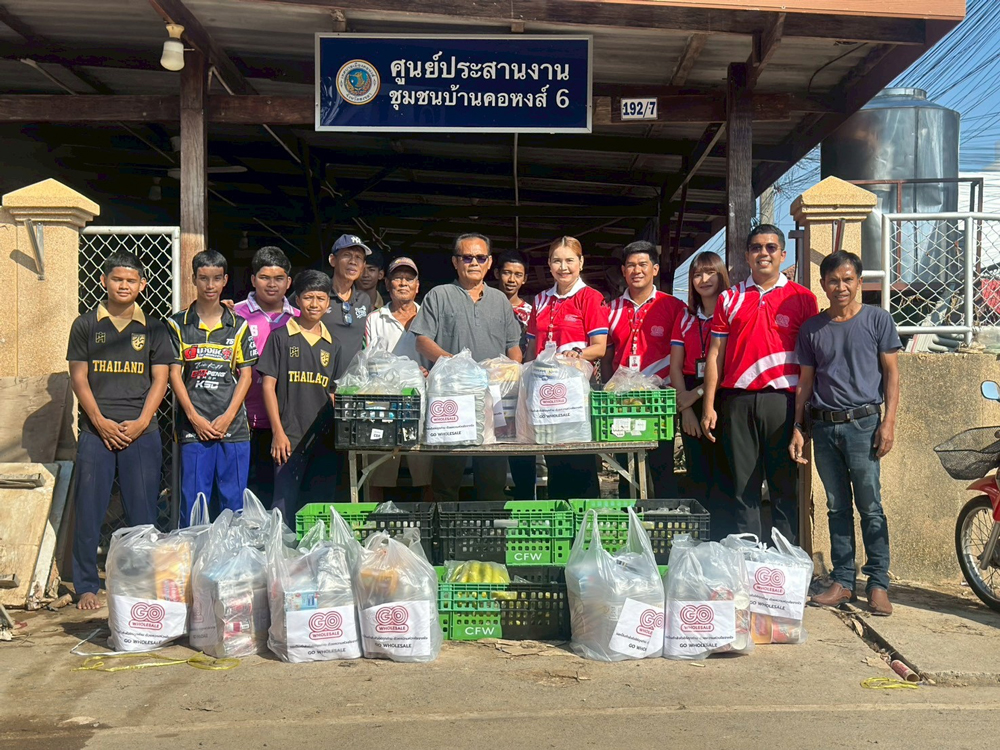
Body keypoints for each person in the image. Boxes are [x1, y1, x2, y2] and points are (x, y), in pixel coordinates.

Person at [790, 251, 901, 616]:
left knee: (870, 507)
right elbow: (805, 383)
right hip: (824, 427)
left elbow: (892, 376)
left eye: (848, 279)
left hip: (864, 425)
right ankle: (842, 581)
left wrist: (889, 422)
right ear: (823, 284)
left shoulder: (877, 319)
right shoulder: (811, 329)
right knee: (836, 506)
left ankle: (878, 582)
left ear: (858, 281)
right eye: (834, 280)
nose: (841, 286)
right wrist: (798, 428)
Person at [67, 251, 172, 609]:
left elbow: (161, 380)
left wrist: (143, 421)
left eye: (131, 280)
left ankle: (139, 581)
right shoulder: (85, 324)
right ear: (104, 282)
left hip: (141, 433)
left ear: (142, 285)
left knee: (142, 514)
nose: (124, 285)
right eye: (117, 279)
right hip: (97, 432)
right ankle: (85, 586)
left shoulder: (155, 328)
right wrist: (98, 420)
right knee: (90, 510)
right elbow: (78, 378)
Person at [701, 225, 818, 543]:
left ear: (782, 254)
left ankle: (785, 566)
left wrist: (803, 415)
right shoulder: (730, 298)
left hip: (783, 402)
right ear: (746, 255)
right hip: (736, 402)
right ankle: (749, 565)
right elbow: (715, 355)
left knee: (784, 486)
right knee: (743, 489)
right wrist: (709, 404)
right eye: (756, 247)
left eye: (770, 247)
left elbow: (811, 361)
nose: (763, 253)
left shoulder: (803, 299)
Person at [412, 233, 522, 503]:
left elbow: (514, 345)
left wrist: (513, 369)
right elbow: (422, 340)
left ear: (489, 262)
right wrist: (454, 364)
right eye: (467, 257)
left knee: (493, 475)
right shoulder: (439, 295)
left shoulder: (500, 301)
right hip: (453, 398)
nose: (474, 262)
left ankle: (491, 537)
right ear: (455, 261)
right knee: (447, 475)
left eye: (480, 257)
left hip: (494, 398)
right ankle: (444, 537)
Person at [168, 250, 258, 526]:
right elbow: (174, 374)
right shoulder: (176, 324)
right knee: (195, 502)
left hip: (233, 427)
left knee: (234, 502)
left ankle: (231, 566)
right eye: (204, 278)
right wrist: (195, 418)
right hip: (193, 427)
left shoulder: (239, 325)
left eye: (216, 278)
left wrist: (228, 416)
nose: (210, 286)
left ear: (225, 280)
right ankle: (193, 564)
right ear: (193, 279)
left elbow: (246, 377)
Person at [526, 236, 608, 500]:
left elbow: (599, 347)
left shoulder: (591, 297)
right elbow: (531, 348)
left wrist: (576, 353)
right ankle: (559, 527)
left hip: (575, 394)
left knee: (579, 461)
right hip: (544, 394)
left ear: (581, 263)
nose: (563, 267)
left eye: (569, 260)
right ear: (549, 265)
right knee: (554, 461)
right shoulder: (540, 300)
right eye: (557, 261)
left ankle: (587, 527)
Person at [258, 270, 342, 524]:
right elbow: (267, 387)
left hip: (323, 438)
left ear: (328, 303)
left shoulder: (333, 344)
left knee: (318, 506)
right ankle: (280, 559)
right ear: (297, 299)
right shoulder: (280, 337)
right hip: (289, 436)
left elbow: (332, 393)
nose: (314, 304)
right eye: (308, 297)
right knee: (283, 504)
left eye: (320, 298)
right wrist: (278, 432)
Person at [606, 240, 686, 497]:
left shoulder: (673, 307)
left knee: (661, 465)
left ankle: (665, 525)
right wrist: (610, 390)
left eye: (642, 264)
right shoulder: (611, 309)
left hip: (659, 400)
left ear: (654, 269)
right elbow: (607, 356)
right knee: (624, 468)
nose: (636, 270)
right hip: (622, 401)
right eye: (630, 265)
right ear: (623, 270)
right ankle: (630, 526)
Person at [669, 251, 735, 538]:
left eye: (710, 272)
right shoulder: (684, 318)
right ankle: (700, 540)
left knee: (726, 470)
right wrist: (686, 408)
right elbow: (674, 366)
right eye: (697, 274)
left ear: (721, 275)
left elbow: (728, 364)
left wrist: (697, 394)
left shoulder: (732, 313)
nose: (704, 279)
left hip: (722, 395)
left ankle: (725, 537)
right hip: (688, 397)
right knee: (698, 472)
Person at [363, 256, 433, 494]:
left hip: (423, 402)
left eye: (408, 279)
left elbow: (439, 356)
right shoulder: (374, 319)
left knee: (426, 469)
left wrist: (428, 373)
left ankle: (429, 521)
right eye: (397, 278)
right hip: (384, 403)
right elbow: (369, 362)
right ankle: (375, 523)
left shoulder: (429, 316)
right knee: (379, 469)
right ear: (388, 284)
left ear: (417, 286)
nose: (403, 283)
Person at [233, 246, 297, 503]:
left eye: (279, 279)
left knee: (280, 495)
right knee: (245, 492)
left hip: (287, 423)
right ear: (252, 280)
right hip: (242, 420)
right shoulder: (234, 314)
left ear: (289, 282)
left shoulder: (300, 319)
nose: (272, 285)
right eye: (265, 278)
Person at [494, 249, 536, 500]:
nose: (511, 279)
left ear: (524, 279)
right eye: (507, 272)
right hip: (491, 384)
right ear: (497, 273)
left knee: (522, 443)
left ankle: (525, 499)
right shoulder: (484, 304)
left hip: (520, 385)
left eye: (517, 275)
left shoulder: (532, 312)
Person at [324, 234, 373, 376]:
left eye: (358, 257)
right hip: (319, 381)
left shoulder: (364, 300)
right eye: (347, 255)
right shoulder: (317, 295)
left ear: (363, 266)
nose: (353, 261)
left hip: (353, 385)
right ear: (333, 260)